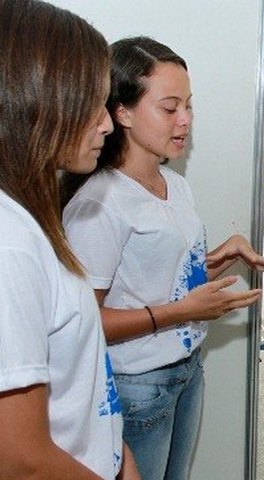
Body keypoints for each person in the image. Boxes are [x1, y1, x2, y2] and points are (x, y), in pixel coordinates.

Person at [61, 36, 264, 480]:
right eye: (169, 108)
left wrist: (219, 256)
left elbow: (163, 275)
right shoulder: (100, 204)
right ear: (121, 112)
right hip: (138, 385)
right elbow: (83, 322)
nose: (185, 121)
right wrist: (181, 312)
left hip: (185, 372)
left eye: (189, 106)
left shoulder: (173, 183)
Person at [0, 0, 140, 478]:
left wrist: (119, 454)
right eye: (93, 102)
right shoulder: (10, 244)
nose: (106, 122)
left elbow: (77, 379)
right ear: (39, 98)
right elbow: (20, 460)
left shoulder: (33, 218)